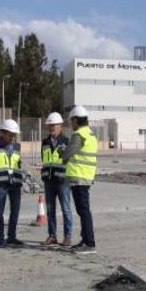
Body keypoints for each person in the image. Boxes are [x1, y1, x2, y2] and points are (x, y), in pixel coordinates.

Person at [61, 105, 98, 255]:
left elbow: (68, 154)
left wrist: (62, 153)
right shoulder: (90, 134)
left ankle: (89, 243)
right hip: (86, 176)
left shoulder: (78, 135)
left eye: (71, 120)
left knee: (83, 211)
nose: (70, 123)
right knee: (83, 211)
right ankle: (85, 240)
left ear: (76, 120)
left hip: (79, 177)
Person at [0, 119, 23, 247]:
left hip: (15, 183)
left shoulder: (17, 146)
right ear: (3, 133)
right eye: (11, 134)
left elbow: (18, 164)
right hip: (0, 183)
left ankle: (11, 237)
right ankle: (0, 238)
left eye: (14, 135)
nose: (13, 137)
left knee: (15, 211)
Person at [40, 111, 73, 246]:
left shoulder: (66, 141)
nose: (52, 127)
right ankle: (52, 236)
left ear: (60, 126)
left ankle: (67, 237)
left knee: (65, 209)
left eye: (54, 125)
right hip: (49, 180)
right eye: (50, 125)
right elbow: (45, 160)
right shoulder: (45, 142)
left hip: (63, 181)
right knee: (50, 209)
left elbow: (70, 161)